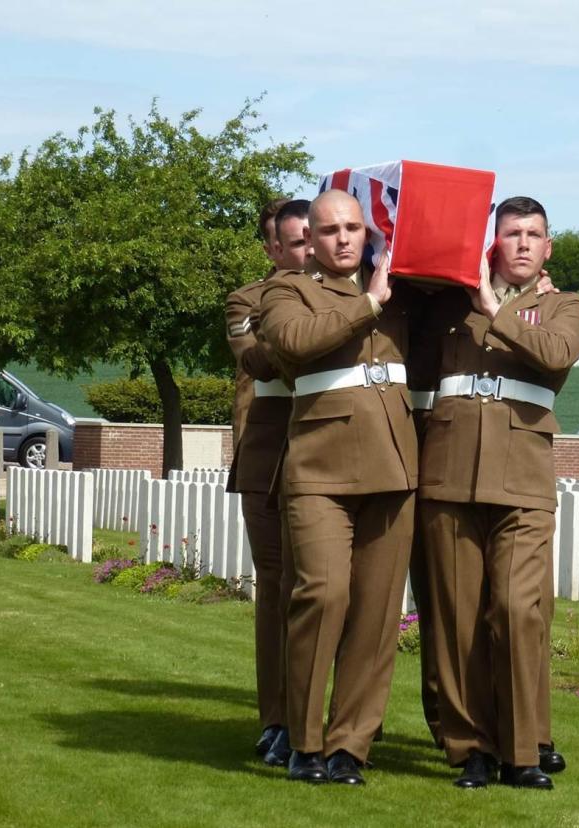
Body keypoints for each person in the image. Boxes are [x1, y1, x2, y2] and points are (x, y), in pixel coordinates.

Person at [417, 196, 579, 789]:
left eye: (532, 234)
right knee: (457, 620)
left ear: (548, 247)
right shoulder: (447, 308)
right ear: (491, 242)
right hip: (450, 474)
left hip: (522, 482)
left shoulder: (566, 307)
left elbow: (556, 356)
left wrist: (493, 309)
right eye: (510, 232)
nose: (521, 242)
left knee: (517, 611)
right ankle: (473, 751)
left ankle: (523, 750)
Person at [259, 189, 419, 785]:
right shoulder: (287, 291)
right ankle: (303, 740)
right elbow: (295, 344)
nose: (344, 239)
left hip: (394, 467)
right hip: (320, 471)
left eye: (354, 227)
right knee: (321, 597)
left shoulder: (397, 287)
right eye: (329, 231)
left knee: (377, 617)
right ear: (312, 238)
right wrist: (369, 305)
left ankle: (350, 745)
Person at [225, 198, 311, 762]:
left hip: (335, 458)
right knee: (278, 592)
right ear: (273, 249)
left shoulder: (351, 296)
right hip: (269, 460)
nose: (310, 249)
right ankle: (278, 719)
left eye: (315, 237)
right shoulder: (247, 301)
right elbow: (266, 358)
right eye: (299, 241)